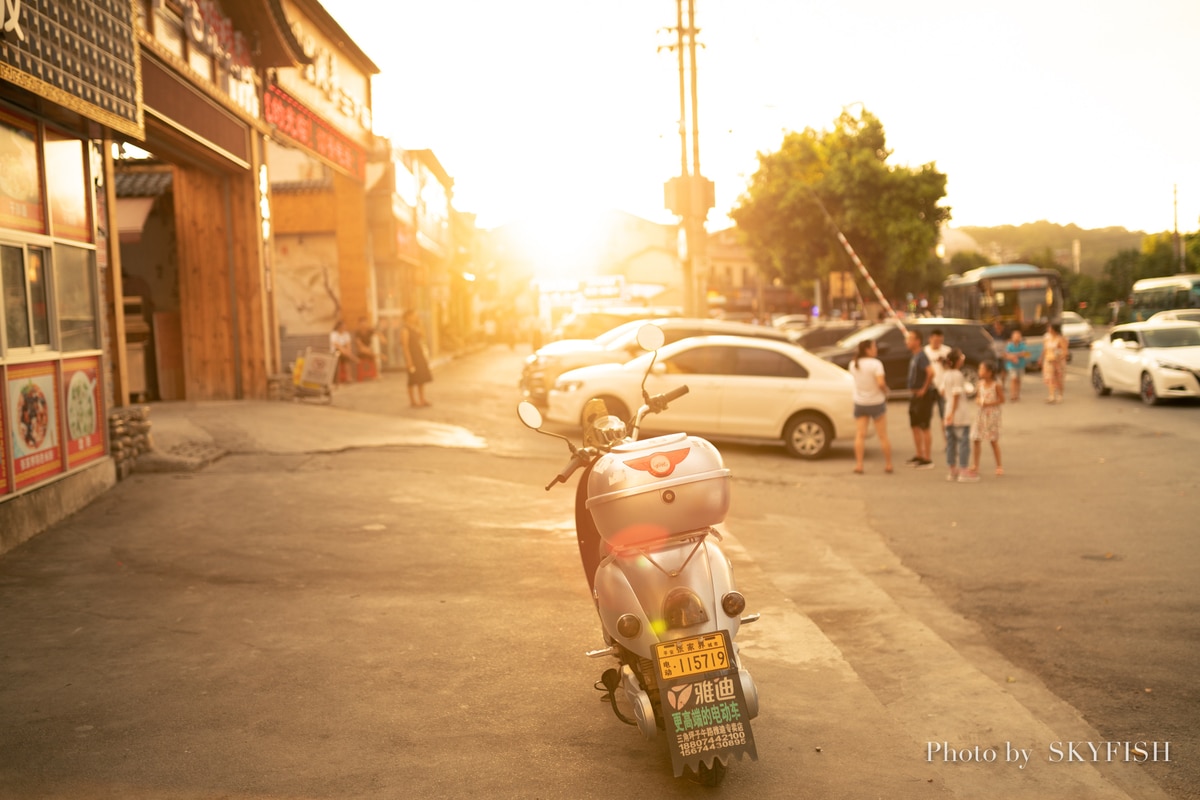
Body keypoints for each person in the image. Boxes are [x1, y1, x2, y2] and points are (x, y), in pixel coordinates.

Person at [848, 340, 893, 474]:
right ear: (867, 350)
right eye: (874, 347)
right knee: (883, 435)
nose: (876, 349)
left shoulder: (853, 364)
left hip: (860, 402)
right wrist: (886, 391)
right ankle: (888, 464)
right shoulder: (876, 364)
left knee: (860, 435)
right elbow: (880, 383)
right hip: (876, 402)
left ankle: (859, 464)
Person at [961, 360, 1004, 481]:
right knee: (976, 439)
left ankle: (999, 465)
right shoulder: (979, 384)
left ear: (989, 372)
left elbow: (1002, 399)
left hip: (992, 415)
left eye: (982, 369)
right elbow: (978, 397)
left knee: (993, 440)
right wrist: (979, 401)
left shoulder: (996, 385)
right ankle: (976, 464)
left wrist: (989, 403)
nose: (980, 372)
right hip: (981, 415)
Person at [940, 348, 973, 482]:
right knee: (963, 442)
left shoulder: (946, 374)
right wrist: (953, 413)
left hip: (948, 410)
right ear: (957, 361)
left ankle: (952, 469)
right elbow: (956, 394)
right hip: (959, 413)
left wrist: (949, 413)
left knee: (951, 443)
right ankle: (963, 470)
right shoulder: (958, 375)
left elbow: (943, 392)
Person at [905, 330, 936, 469]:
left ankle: (927, 458)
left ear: (917, 341)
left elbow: (931, 372)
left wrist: (924, 389)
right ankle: (919, 454)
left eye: (910, 339)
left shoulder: (922, 356)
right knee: (915, 425)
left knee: (924, 426)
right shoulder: (915, 356)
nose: (907, 342)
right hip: (914, 395)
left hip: (923, 396)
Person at [401, 309, 433, 407]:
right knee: (412, 379)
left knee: (421, 378)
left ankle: (422, 399)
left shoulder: (415, 328)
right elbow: (405, 347)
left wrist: (420, 324)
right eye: (414, 315)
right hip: (412, 356)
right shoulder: (405, 330)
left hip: (419, 355)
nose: (416, 317)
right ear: (408, 317)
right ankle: (413, 401)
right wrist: (409, 360)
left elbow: (422, 336)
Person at [924, 328, 951, 420]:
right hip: (929, 386)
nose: (938, 343)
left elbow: (951, 369)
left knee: (944, 414)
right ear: (930, 339)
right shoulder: (925, 351)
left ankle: (946, 433)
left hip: (943, 386)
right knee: (926, 415)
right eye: (935, 340)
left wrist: (944, 363)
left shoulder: (947, 351)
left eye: (940, 341)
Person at [1042, 323, 1068, 403]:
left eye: (1050, 328)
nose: (1049, 330)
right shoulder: (1046, 337)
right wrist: (1041, 358)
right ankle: (1051, 395)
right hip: (1049, 360)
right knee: (1050, 378)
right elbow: (1045, 349)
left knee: (1059, 379)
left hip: (1058, 362)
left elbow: (1065, 352)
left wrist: (1058, 358)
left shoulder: (1060, 339)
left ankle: (1060, 394)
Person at [1004, 330, 1031, 401]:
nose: (1017, 338)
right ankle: (1012, 395)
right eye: (1015, 336)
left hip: (1020, 365)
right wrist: (1014, 357)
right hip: (1012, 365)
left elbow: (1026, 353)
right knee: (1013, 379)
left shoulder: (1022, 345)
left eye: (1018, 336)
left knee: (1018, 380)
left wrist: (1014, 355)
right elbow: (1006, 355)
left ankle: (1017, 394)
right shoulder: (1009, 345)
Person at [329, 319, 358, 384]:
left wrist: (348, 351)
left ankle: (349, 378)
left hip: (345, 353)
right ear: (339, 327)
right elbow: (337, 345)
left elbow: (348, 345)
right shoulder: (334, 334)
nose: (344, 328)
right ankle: (353, 358)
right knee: (342, 354)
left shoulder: (346, 334)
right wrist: (345, 352)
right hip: (335, 352)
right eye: (343, 326)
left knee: (346, 359)